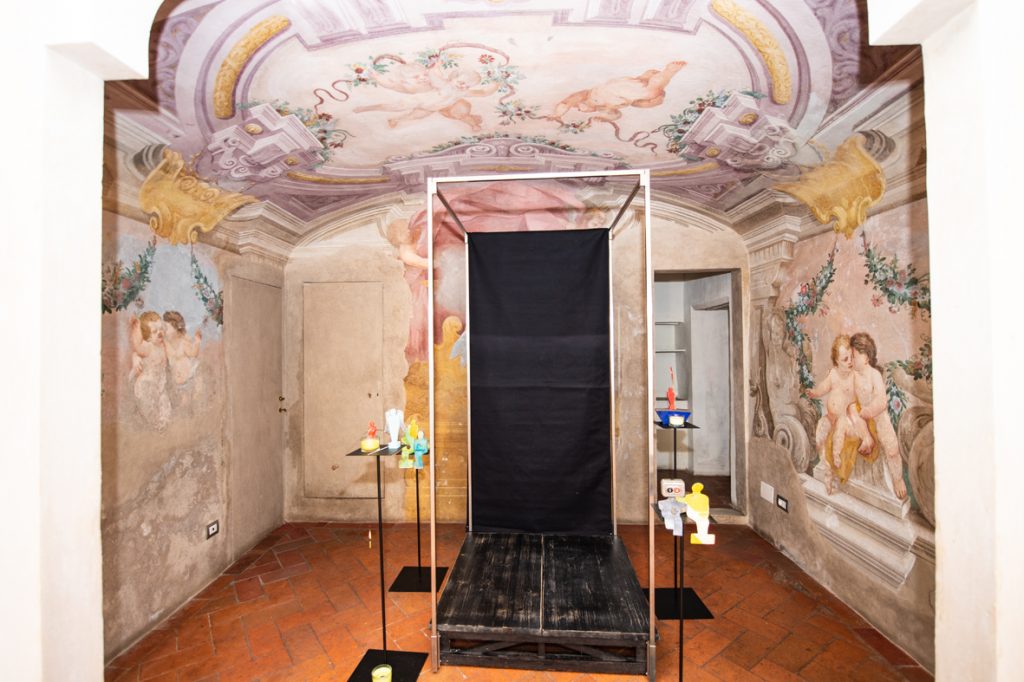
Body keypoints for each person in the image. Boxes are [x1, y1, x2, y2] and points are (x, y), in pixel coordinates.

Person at [848, 332, 908, 500]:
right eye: (850, 357)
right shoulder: (852, 376)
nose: (851, 361)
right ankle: (866, 439)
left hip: (878, 418)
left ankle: (897, 479)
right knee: (852, 412)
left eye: (854, 356)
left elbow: (881, 401)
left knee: (891, 447)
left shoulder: (874, 374)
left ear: (866, 357)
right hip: (862, 420)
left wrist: (868, 411)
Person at [549, 61, 687, 129]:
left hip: (621, 89)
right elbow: (616, 115)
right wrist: (604, 118)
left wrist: (557, 115)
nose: (579, 110)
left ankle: (668, 72)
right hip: (625, 91)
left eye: (578, 108)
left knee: (650, 91)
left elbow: (566, 102)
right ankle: (646, 78)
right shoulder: (603, 107)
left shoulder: (587, 95)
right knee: (645, 98)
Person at [806, 334, 860, 493]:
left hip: (845, 417)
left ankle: (836, 457)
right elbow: (823, 387)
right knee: (821, 430)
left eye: (851, 357)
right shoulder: (833, 375)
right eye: (845, 359)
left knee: (840, 429)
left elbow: (861, 395)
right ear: (836, 361)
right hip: (831, 417)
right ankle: (826, 468)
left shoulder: (854, 376)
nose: (850, 362)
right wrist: (815, 393)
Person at [129, 311, 171, 429]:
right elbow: (137, 347)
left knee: (166, 408)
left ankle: (162, 428)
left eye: (161, 329)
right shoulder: (149, 346)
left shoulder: (163, 345)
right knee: (150, 411)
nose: (160, 333)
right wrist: (136, 329)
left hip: (160, 387)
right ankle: (155, 427)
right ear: (147, 336)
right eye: (154, 331)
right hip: (146, 386)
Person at [162, 310, 201, 386]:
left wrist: (197, 341)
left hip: (188, 380)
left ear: (175, 328)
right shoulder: (165, 343)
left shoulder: (183, 342)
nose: (164, 330)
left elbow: (193, 354)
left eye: (166, 328)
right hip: (174, 382)